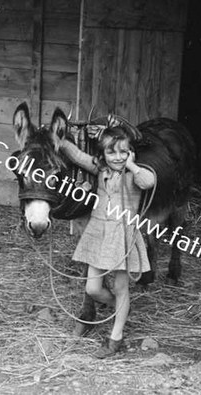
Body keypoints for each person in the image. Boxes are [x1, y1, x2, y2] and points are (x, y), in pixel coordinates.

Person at [59, 125, 155, 358]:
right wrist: (59, 141)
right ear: (103, 156)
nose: (118, 157)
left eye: (124, 152)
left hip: (122, 234)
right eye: (112, 153)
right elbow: (78, 156)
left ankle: (116, 337)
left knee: (120, 287)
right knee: (93, 288)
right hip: (99, 233)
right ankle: (121, 309)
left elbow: (149, 182)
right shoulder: (100, 169)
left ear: (130, 152)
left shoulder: (135, 173)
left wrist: (132, 165)